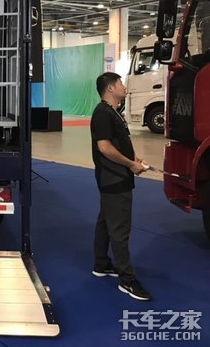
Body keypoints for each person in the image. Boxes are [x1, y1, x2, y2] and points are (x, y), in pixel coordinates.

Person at [90, 72, 151, 301]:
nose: (124, 86)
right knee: (120, 229)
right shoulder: (102, 113)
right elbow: (105, 147)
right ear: (110, 88)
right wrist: (130, 165)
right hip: (113, 178)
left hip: (115, 176)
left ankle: (101, 264)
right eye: (120, 83)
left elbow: (119, 142)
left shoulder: (113, 112)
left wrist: (134, 159)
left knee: (106, 221)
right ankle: (127, 279)